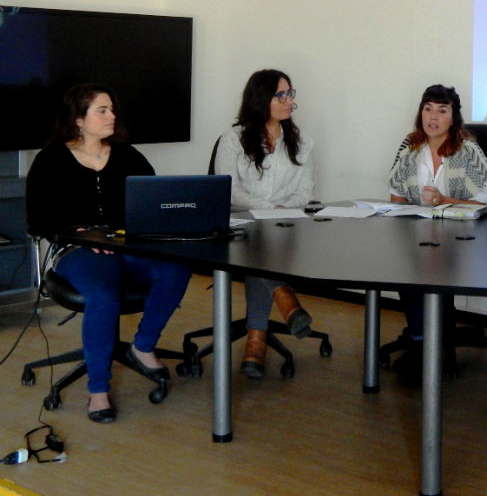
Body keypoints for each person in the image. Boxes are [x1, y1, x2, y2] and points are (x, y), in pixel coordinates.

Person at [25, 84, 192, 423]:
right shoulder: (50, 159)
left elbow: (153, 202)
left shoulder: (128, 155)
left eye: (112, 109)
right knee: (104, 293)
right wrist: (83, 234)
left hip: (128, 244)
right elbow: (38, 220)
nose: (112, 115)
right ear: (78, 119)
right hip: (77, 249)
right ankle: (98, 390)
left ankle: (142, 346)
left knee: (176, 269)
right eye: (102, 110)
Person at [387, 84, 487, 385]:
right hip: (417, 234)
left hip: (461, 239)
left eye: (441, 111)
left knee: (424, 265)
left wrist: (443, 200)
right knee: (407, 264)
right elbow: (396, 196)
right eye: (428, 109)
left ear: (453, 118)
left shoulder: (467, 150)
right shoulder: (410, 146)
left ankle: (424, 345)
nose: (433, 117)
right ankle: (420, 342)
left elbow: (482, 203)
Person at [213, 69, 316, 378]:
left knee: (264, 244)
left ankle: (257, 340)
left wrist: (280, 212)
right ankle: (282, 300)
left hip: (285, 225)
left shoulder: (303, 142)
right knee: (257, 243)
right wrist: (270, 208)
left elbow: (305, 192)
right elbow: (229, 190)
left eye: (289, 94)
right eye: (279, 95)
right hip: (241, 222)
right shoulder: (233, 139)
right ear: (261, 99)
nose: (288, 101)